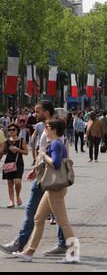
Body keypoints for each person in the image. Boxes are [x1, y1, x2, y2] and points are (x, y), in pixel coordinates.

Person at [0, 101, 67, 257]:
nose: (35, 114)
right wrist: (36, 167)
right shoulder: (47, 128)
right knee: (54, 213)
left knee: (34, 211)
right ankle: (60, 244)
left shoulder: (52, 130)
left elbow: (55, 154)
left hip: (46, 177)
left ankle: (20, 244)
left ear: (47, 112)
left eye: (38, 111)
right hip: (43, 174)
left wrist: (41, 164)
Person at [12, 118, 79, 263]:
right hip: (52, 188)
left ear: (53, 129)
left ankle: (74, 253)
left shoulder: (55, 144)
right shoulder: (56, 143)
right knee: (38, 218)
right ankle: (29, 252)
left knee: (62, 221)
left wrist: (43, 155)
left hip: (55, 188)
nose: (45, 128)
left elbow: (54, 163)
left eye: (47, 126)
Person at [2, 123, 28, 208]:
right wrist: (4, 148)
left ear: (17, 131)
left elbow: (26, 152)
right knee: (10, 182)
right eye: (9, 130)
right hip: (8, 162)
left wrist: (18, 149)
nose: (11, 131)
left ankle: (17, 196)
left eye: (13, 129)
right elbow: (3, 152)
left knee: (17, 181)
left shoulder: (21, 140)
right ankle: (11, 201)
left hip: (18, 163)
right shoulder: (7, 141)